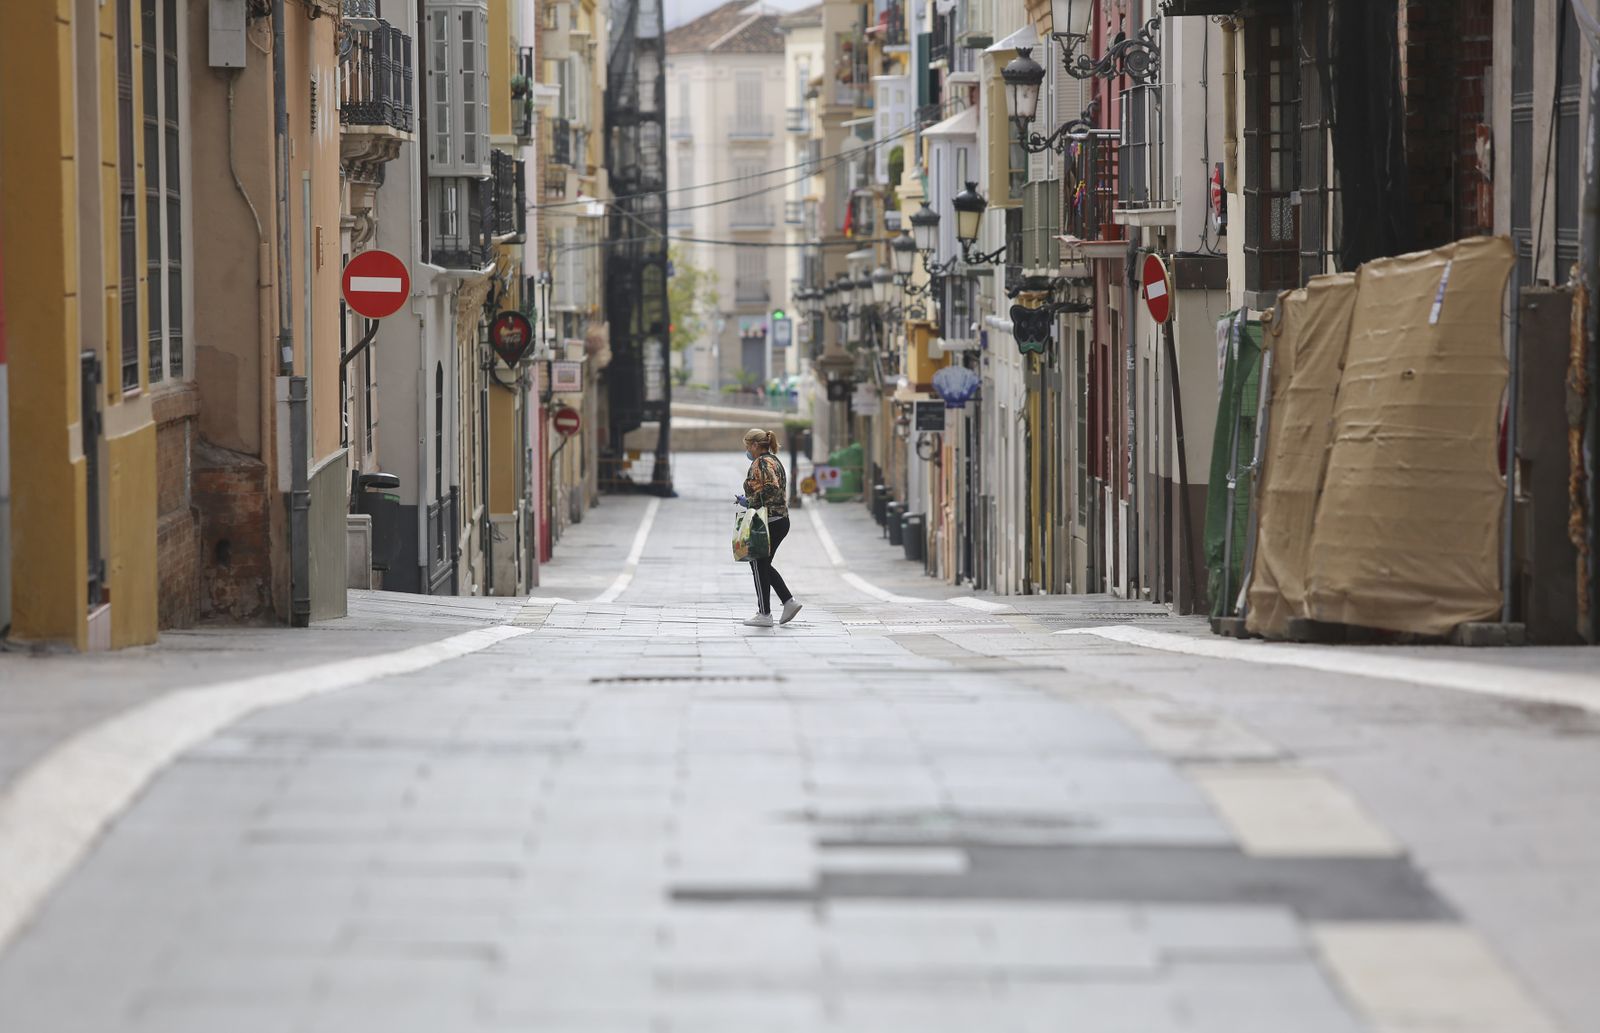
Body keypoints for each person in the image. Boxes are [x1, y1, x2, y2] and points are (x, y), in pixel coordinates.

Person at [736, 428, 801, 628]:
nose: (747, 451)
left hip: (769, 520)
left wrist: (750, 501)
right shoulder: (774, 461)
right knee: (762, 564)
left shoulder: (762, 462)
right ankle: (788, 601)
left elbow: (772, 487)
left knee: (757, 562)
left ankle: (765, 613)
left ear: (755, 445)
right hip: (779, 519)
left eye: (748, 446)